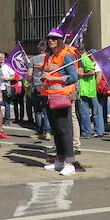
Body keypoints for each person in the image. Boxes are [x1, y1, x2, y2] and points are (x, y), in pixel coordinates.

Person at [40, 29, 80, 176]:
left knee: (64, 130)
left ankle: (70, 163)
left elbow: (74, 77)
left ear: (60, 40)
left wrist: (55, 79)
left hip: (61, 97)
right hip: (49, 96)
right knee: (56, 130)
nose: (50, 40)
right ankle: (59, 160)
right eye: (49, 38)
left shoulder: (66, 56)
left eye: (54, 38)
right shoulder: (50, 55)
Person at [76, 48, 104, 138]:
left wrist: (82, 74)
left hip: (86, 90)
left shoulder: (83, 58)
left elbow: (96, 74)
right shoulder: (90, 60)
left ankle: (87, 132)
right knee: (95, 112)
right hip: (90, 90)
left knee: (86, 112)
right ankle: (98, 131)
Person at [28, 42, 51, 141]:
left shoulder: (33, 59)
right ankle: (48, 132)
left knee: (37, 110)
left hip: (36, 86)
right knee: (46, 110)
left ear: (39, 48)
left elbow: (29, 74)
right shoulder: (50, 58)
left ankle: (40, 132)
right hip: (46, 86)